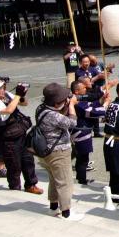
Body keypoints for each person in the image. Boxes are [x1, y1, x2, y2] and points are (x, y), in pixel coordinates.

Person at [0, 77, 42, 194]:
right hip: (8, 139)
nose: (3, 89)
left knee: (28, 160)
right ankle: (15, 187)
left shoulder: (6, 95)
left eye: (2, 87)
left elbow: (24, 103)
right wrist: (17, 95)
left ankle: (31, 185)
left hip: (21, 133)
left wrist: (22, 95)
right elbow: (8, 110)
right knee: (13, 165)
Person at [36, 83, 83, 220]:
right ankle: (66, 212)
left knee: (54, 179)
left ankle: (53, 206)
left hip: (46, 151)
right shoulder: (54, 116)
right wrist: (72, 106)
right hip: (58, 152)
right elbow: (72, 123)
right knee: (64, 181)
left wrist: (66, 105)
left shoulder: (41, 108)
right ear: (57, 103)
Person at [70, 80, 108, 185]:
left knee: (81, 157)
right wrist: (105, 104)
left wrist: (101, 100)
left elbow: (92, 104)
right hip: (81, 132)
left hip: (83, 130)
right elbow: (92, 112)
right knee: (83, 158)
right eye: (83, 88)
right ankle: (82, 180)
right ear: (77, 91)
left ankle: (80, 177)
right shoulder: (77, 102)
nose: (86, 89)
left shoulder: (80, 99)